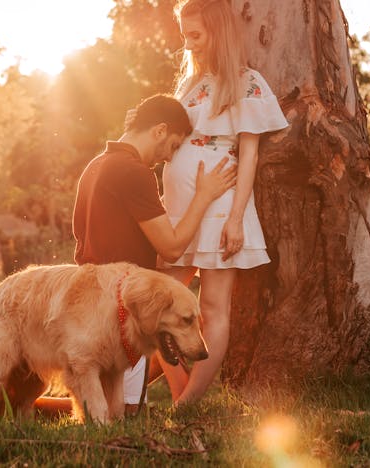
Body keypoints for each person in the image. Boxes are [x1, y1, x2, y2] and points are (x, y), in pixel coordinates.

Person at [33, 94, 236, 417]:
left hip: (86, 297)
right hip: (116, 306)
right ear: (159, 130)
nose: (169, 157)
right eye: (173, 145)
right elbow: (170, 247)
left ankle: (27, 408)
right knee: (125, 411)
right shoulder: (134, 172)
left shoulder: (96, 166)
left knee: (105, 392)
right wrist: (204, 196)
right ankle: (29, 410)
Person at [152, 0, 289, 405]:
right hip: (178, 213)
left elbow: (249, 156)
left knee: (212, 308)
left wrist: (235, 220)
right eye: (185, 36)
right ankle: (179, 396)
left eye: (196, 36)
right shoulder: (191, 87)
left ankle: (188, 403)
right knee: (159, 306)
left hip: (219, 209)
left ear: (220, 33)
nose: (188, 45)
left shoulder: (247, 83)